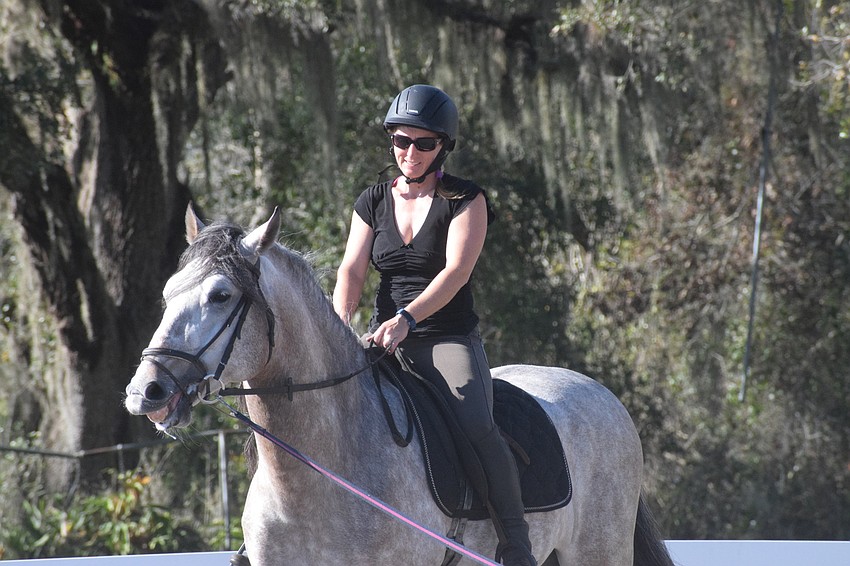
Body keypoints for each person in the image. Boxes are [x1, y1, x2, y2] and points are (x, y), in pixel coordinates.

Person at [333, 84, 536, 566]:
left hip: (444, 337)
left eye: (424, 143)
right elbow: (352, 270)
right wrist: (340, 323)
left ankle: (515, 543)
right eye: (402, 141)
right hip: (382, 337)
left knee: (476, 423)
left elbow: (456, 272)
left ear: (443, 146)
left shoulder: (466, 198)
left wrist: (407, 318)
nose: (410, 152)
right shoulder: (372, 200)